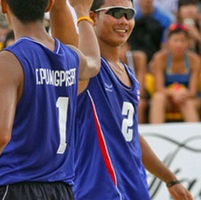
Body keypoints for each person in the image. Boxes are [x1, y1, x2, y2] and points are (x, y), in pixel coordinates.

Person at [0, 0, 100, 199]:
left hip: (16, 185)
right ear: (48, 5)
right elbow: (94, 63)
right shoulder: (70, 56)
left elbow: (0, 135)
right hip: (61, 189)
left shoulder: (9, 58)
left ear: (3, 6)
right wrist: (82, 12)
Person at [50, 0, 193, 199]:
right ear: (93, 17)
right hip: (97, 191)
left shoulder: (128, 74)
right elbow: (65, 41)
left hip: (135, 189)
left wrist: (170, 179)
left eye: (129, 14)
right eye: (116, 13)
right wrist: (78, 10)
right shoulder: (89, 69)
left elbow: (131, 136)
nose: (124, 20)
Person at [149, 23, 200, 123]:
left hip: (187, 98)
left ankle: (195, 135)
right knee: (158, 98)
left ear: (187, 43)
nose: (179, 45)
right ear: (168, 42)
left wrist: (181, 95)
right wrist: (174, 93)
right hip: (168, 98)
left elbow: (193, 92)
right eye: (175, 40)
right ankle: (156, 134)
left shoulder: (194, 59)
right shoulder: (160, 58)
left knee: (187, 103)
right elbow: (159, 88)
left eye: (182, 41)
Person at [119, 41, 148, 123]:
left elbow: (140, 91)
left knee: (139, 103)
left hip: (133, 97)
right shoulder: (104, 61)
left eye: (121, 47)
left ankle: (138, 132)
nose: (118, 51)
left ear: (128, 47)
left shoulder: (138, 58)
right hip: (116, 98)